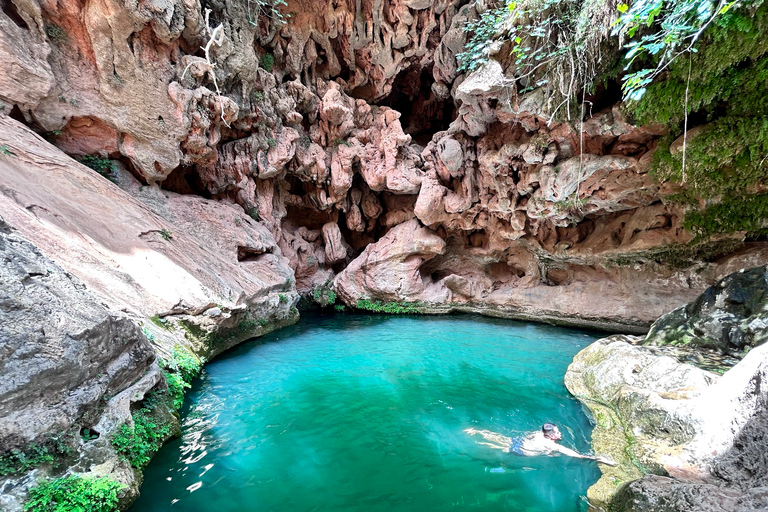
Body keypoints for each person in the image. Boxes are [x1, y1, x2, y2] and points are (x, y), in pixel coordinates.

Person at [465, 423, 616, 465]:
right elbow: (575, 455)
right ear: (551, 436)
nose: (560, 434)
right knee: (499, 446)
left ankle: (476, 432)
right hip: (521, 450)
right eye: (557, 432)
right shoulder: (553, 446)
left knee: (500, 438)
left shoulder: (538, 434)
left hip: (519, 441)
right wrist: (596, 458)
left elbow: (528, 435)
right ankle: (477, 442)